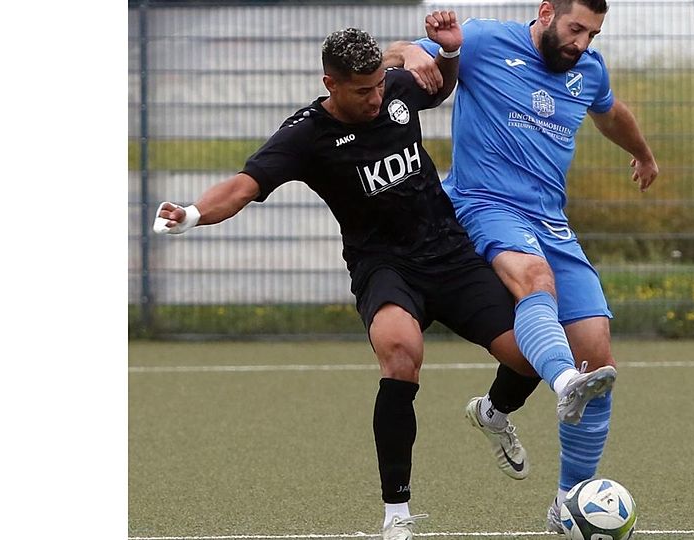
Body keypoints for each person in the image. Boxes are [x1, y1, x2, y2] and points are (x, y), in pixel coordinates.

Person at [152, 17, 608, 539]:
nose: (375, 98)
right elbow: (242, 185)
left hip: (449, 252)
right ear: (331, 85)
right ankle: (397, 515)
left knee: (529, 357)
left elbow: (440, 87)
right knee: (400, 353)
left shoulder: (395, 89)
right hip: (384, 267)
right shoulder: (305, 135)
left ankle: (492, 411)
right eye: (362, 90)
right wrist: (189, 214)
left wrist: (449, 57)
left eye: (377, 86)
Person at [384, 0, 659, 532]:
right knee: (536, 282)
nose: (582, 42)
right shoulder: (486, 40)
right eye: (576, 28)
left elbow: (612, 111)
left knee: (599, 360)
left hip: (550, 220)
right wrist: (411, 60)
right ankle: (561, 384)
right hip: (483, 204)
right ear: (547, 11)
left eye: (592, 34)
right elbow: (401, 51)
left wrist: (644, 154)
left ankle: (565, 506)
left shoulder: (588, 69)